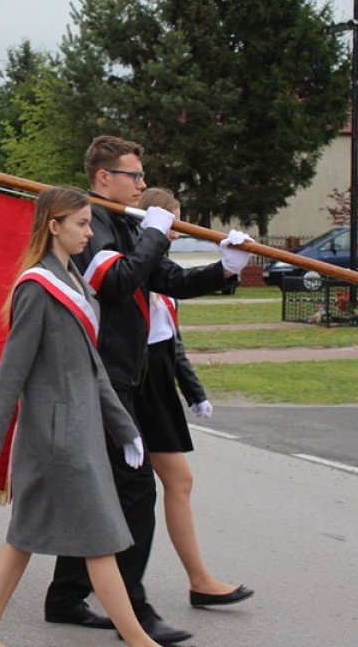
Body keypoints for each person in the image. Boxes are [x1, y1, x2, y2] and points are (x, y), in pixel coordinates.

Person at [43, 135, 250, 645]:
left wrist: (226, 268)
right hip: (98, 379)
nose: (141, 183)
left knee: (106, 488)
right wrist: (155, 232)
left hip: (127, 375)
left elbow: (168, 280)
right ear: (104, 177)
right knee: (135, 490)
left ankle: (66, 596)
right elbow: (117, 284)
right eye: (133, 175)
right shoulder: (90, 224)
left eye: (141, 175)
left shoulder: (128, 224)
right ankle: (131, 610)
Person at [0, 187, 160, 647]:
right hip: (58, 441)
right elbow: (12, 369)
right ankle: (141, 641)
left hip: (79, 433)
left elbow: (92, 370)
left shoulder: (73, 281)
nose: (89, 233)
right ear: (54, 226)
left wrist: (124, 429)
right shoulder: (37, 286)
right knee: (100, 539)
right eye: (81, 224)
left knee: (23, 538)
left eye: (90, 223)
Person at [136, 187, 254, 607]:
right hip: (137, 381)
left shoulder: (156, 261)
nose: (177, 230)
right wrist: (224, 269)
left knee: (169, 483)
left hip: (157, 381)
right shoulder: (139, 257)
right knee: (162, 483)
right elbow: (174, 285)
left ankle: (195, 579)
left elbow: (172, 342)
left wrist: (194, 392)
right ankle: (196, 580)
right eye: (174, 221)